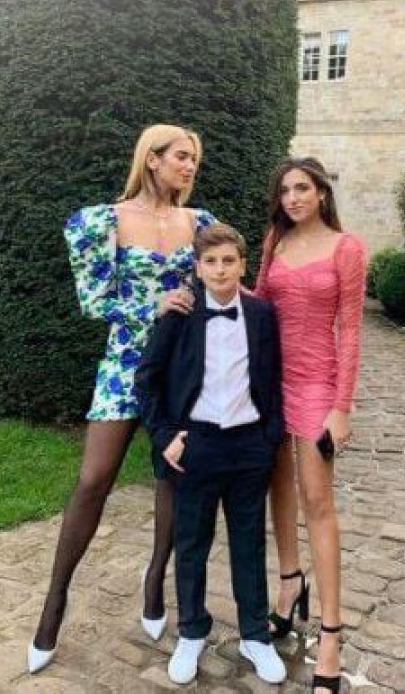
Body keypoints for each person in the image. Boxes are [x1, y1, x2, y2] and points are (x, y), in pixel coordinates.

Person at [27, 124, 215, 674]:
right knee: (93, 480)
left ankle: (155, 579)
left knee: (172, 478)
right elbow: (93, 302)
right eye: (181, 156)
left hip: (179, 369)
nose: (190, 166)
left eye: (194, 159)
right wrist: (149, 308)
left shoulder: (199, 223)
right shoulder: (102, 221)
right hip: (125, 364)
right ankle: (55, 601)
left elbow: (216, 286)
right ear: (152, 159)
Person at [135, 223, 287, 686]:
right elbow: (147, 380)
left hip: (248, 446)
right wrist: (165, 436)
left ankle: (255, 635)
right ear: (197, 269)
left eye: (228, 261)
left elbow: (272, 378)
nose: (220, 270)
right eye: (211, 262)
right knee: (192, 543)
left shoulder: (261, 314)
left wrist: (269, 437)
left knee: (249, 543)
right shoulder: (179, 314)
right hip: (195, 445)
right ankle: (192, 631)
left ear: (243, 265)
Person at [254, 157, 367, 694]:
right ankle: (288, 584)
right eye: (284, 191)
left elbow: (351, 331)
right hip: (271, 382)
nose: (292, 198)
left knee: (318, 502)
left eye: (301, 188)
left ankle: (330, 636)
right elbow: (257, 305)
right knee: (278, 487)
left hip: (318, 384)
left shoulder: (347, 248)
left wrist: (341, 406)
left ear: (321, 192)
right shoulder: (274, 242)